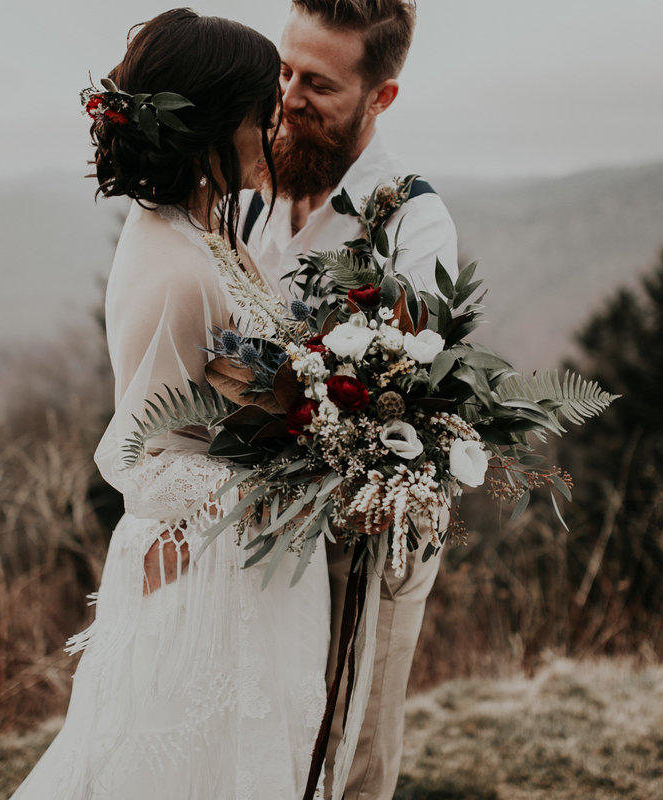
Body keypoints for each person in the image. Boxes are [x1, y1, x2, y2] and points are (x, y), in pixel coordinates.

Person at [10, 10, 330, 799]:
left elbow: (237, 385)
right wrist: (286, 479)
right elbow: (144, 461)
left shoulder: (203, 232)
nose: (276, 129)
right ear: (215, 123)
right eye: (264, 114)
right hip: (206, 580)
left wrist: (318, 416)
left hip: (251, 563)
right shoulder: (174, 267)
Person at [242, 2, 458, 798]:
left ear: (381, 97)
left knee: (346, 743)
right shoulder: (251, 181)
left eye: (319, 85)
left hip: (365, 535)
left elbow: (407, 403)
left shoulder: (414, 225)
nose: (288, 95)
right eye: (284, 69)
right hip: (254, 529)